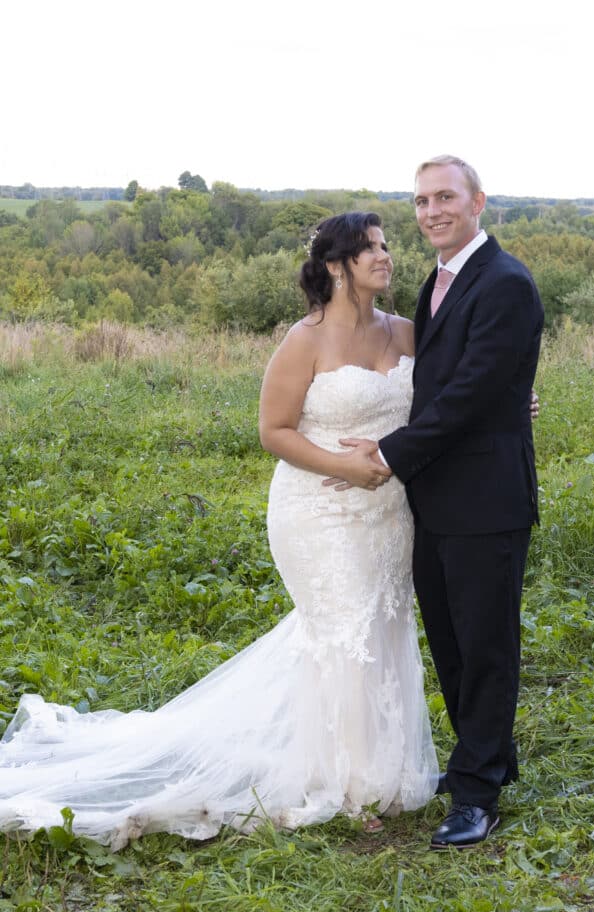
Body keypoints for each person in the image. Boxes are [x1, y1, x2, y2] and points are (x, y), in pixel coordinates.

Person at [0, 213, 439, 849]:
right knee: (341, 629)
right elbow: (274, 432)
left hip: (388, 513)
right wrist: (344, 464)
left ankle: (379, 769)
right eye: (370, 247)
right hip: (317, 512)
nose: (386, 255)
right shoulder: (304, 340)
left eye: (385, 244)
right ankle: (342, 784)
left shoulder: (404, 332)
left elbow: (454, 393)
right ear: (338, 266)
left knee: (381, 625)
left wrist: (511, 399)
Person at [334, 157, 543, 850]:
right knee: (452, 642)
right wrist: (510, 398)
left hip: (485, 498)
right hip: (437, 497)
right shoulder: (439, 280)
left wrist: (390, 452)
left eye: (445, 197)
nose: (431, 211)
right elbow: (453, 382)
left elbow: (469, 393)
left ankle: (476, 795)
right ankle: (487, 760)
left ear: (478, 201)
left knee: (484, 646)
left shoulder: (505, 282)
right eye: (421, 201)